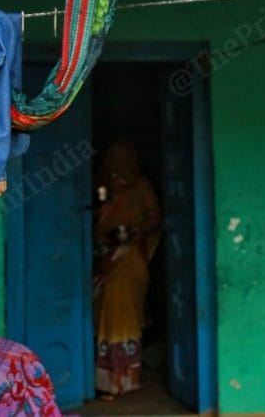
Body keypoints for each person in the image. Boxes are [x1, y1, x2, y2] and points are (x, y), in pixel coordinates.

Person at [92, 140, 162, 398]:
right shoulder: (102, 187)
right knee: (104, 315)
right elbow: (92, 218)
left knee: (127, 315)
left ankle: (126, 379)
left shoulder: (142, 187)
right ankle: (107, 381)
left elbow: (155, 218)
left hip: (131, 258)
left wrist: (135, 231)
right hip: (105, 256)